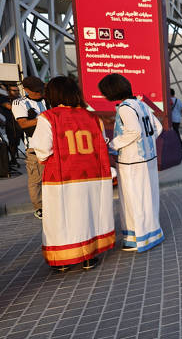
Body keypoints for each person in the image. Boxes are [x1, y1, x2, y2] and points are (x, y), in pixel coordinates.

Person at [28, 76, 114, 271]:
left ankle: (63, 260)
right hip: (92, 175)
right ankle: (89, 257)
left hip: (62, 177)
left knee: (62, 219)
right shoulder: (93, 117)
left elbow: (42, 149)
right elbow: (101, 144)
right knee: (88, 215)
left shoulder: (48, 117)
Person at [98, 73, 165, 252]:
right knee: (148, 197)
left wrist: (112, 146)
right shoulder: (140, 104)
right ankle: (151, 233)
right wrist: (146, 143)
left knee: (132, 199)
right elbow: (157, 127)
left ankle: (137, 238)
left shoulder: (125, 108)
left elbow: (133, 131)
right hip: (147, 159)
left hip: (131, 162)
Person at [12, 76, 49, 219]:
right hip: (34, 148)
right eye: (36, 91)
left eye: (41, 90)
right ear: (26, 90)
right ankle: (39, 207)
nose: (40, 93)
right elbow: (23, 124)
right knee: (36, 180)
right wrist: (45, 119)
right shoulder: (20, 103)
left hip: (52, 145)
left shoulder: (48, 100)